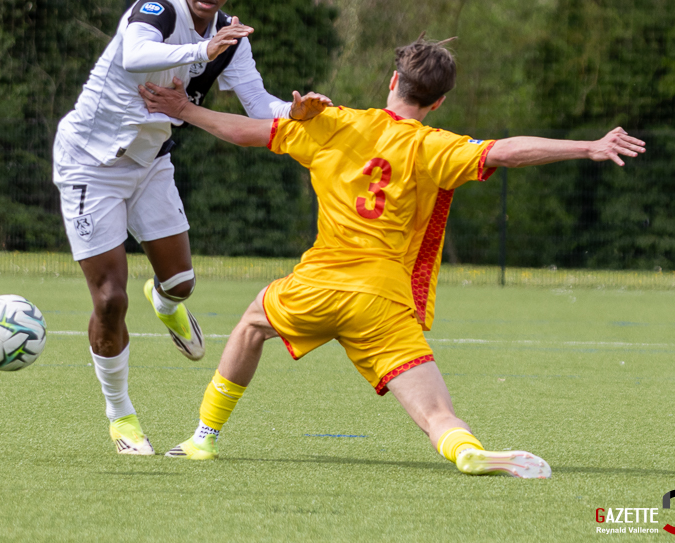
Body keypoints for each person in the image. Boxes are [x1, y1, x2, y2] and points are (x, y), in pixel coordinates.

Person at [139, 35, 645, 477]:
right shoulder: (436, 146)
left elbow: (245, 130)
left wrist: (183, 109)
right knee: (436, 415)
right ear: (439, 102)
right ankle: (465, 450)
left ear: (392, 80)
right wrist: (588, 146)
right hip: (383, 300)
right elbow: (505, 150)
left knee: (252, 324)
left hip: (317, 284)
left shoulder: (333, 123)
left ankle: (203, 437)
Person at [52, 0, 326, 455]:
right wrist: (204, 48)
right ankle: (122, 417)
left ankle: (167, 303)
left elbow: (255, 102)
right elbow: (135, 55)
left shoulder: (231, 37)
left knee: (180, 284)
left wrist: (294, 111)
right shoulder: (155, 7)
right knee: (110, 299)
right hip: (91, 163)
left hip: (151, 163)